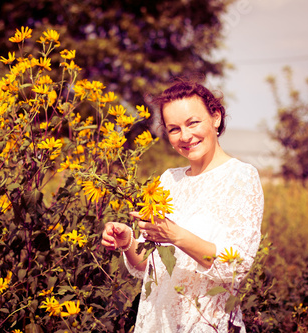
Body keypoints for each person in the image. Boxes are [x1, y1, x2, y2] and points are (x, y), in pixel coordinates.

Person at [101, 79, 264, 332]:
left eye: (193, 123)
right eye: (174, 129)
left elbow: (236, 267)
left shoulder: (241, 177)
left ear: (216, 118)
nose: (185, 136)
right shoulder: (169, 179)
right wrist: (128, 243)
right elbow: (152, 266)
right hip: (157, 321)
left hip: (205, 322)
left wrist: (177, 236)